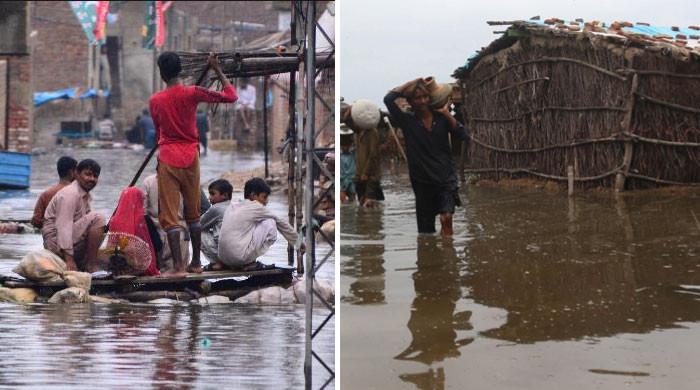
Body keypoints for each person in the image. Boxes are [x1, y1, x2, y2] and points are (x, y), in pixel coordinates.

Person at [149, 51, 237, 276]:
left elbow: (159, 132)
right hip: (191, 157)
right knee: (193, 214)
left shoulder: (155, 100)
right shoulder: (193, 93)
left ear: (161, 74)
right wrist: (216, 69)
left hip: (167, 157)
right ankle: (196, 263)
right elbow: (231, 95)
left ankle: (179, 267)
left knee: (169, 217)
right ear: (181, 71)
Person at [384, 78, 468, 236]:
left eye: (425, 97)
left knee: (447, 218)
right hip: (422, 181)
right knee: (426, 233)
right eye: (417, 98)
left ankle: (449, 256)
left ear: (430, 98)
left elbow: (463, 135)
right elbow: (388, 99)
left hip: (445, 178)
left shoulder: (442, 118)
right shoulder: (407, 121)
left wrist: (447, 114)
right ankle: (432, 260)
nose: (422, 101)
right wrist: (412, 83)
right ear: (411, 101)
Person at [215, 178, 303, 271]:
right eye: (264, 197)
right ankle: (250, 262)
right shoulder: (255, 206)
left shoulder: (233, 206)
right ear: (253, 195)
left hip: (224, 259)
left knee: (253, 225)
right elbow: (281, 222)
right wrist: (298, 243)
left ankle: (245, 261)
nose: (266, 201)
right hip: (239, 258)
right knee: (271, 221)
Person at [42, 159, 106, 272]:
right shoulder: (70, 194)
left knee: (101, 227)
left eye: (95, 176)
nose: (92, 179)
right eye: (88, 174)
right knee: (98, 218)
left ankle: (87, 262)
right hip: (56, 244)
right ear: (76, 173)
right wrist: (69, 260)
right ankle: (90, 266)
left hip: (67, 242)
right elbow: (63, 227)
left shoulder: (83, 195)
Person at [142, 173, 211, 273]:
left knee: (160, 270)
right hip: (179, 230)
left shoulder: (149, 181)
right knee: (179, 270)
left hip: (155, 231)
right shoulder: (188, 180)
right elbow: (204, 208)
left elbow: (143, 211)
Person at [107, 187, 159, 276]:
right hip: (142, 268)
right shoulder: (143, 220)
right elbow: (158, 245)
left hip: (118, 267)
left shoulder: (113, 221)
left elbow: (110, 247)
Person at [31, 156, 77, 229]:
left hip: (50, 238)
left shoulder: (46, 194)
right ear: (71, 172)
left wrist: (50, 225)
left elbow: (36, 220)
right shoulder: (78, 194)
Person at [200, 179, 233, 265]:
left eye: (212, 194)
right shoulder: (234, 206)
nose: (209, 198)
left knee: (197, 232)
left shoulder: (216, 208)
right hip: (237, 252)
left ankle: (216, 262)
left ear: (225, 195)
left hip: (224, 253)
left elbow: (199, 225)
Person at [339, 126, 357, 203]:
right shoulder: (352, 153)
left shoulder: (353, 153)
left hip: (351, 179)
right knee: (346, 200)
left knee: (351, 199)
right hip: (344, 180)